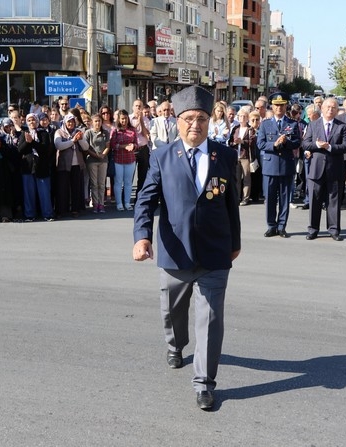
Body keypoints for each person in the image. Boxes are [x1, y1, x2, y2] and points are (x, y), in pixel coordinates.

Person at [132, 85, 241, 411]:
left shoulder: (225, 155)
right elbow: (146, 200)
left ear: (210, 120)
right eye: (189, 118)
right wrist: (142, 236)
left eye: (202, 118)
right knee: (173, 312)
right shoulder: (162, 156)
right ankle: (176, 345)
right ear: (178, 120)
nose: (196, 124)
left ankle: (204, 384)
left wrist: (235, 242)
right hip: (175, 251)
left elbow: (231, 203)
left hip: (214, 252)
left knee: (210, 319)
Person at [302, 97, 346, 240]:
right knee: (314, 200)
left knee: (333, 201)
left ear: (337, 110)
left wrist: (329, 147)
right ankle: (313, 229)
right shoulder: (313, 125)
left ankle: (334, 229)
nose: (330, 110)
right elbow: (305, 144)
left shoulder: (342, 126)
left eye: (333, 107)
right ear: (322, 109)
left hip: (334, 168)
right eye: (327, 107)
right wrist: (317, 146)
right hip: (316, 169)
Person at [256, 92, 301, 238]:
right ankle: (271, 226)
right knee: (269, 199)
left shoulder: (292, 123)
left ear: (286, 105)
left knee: (284, 198)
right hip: (270, 166)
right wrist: (274, 145)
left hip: (286, 166)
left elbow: (298, 142)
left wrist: (287, 142)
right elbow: (260, 143)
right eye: (276, 105)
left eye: (282, 105)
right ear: (272, 106)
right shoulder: (265, 124)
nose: (279, 108)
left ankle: (282, 226)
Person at [54, 113, 86, 217]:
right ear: (64, 122)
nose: (71, 123)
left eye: (72, 121)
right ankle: (62, 209)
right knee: (63, 188)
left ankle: (75, 209)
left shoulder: (78, 132)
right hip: (63, 165)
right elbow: (59, 145)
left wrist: (80, 139)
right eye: (68, 121)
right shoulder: (59, 132)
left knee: (76, 187)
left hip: (76, 164)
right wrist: (73, 141)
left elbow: (85, 147)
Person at [109, 109, 138, 211]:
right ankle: (119, 203)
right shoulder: (115, 130)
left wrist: (133, 146)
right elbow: (113, 145)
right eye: (122, 119)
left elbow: (136, 144)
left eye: (125, 118)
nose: (124, 121)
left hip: (130, 159)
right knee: (118, 182)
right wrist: (124, 146)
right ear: (118, 119)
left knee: (128, 182)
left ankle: (127, 202)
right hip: (118, 159)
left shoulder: (133, 130)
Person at [82, 114, 110, 214]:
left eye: (99, 121)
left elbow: (108, 146)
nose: (97, 123)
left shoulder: (105, 133)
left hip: (103, 160)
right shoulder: (88, 132)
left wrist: (103, 154)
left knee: (102, 184)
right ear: (92, 122)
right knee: (94, 184)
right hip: (92, 160)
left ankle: (101, 204)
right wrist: (95, 155)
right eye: (96, 121)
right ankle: (95, 204)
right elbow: (86, 148)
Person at [228, 107, 257, 206]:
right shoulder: (235, 129)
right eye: (240, 116)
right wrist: (234, 142)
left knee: (246, 178)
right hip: (236, 155)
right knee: (236, 178)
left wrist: (242, 141)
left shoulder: (250, 129)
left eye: (244, 116)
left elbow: (252, 142)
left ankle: (245, 198)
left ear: (247, 118)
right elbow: (230, 141)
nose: (242, 118)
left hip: (245, 156)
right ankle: (236, 197)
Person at [130, 99, 152, 196]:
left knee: (142, 175)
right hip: (132, 150)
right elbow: (131, 133)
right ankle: (126, 197)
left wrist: (141, 121)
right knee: (130, 175)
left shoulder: (146, 120)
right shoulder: (129, 119)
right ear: (133, 107)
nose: (138, 108)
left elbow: (145, 134)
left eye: (140, 106)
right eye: (136, 106)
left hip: (143, 149)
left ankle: (139, 197)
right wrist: (137, 122)